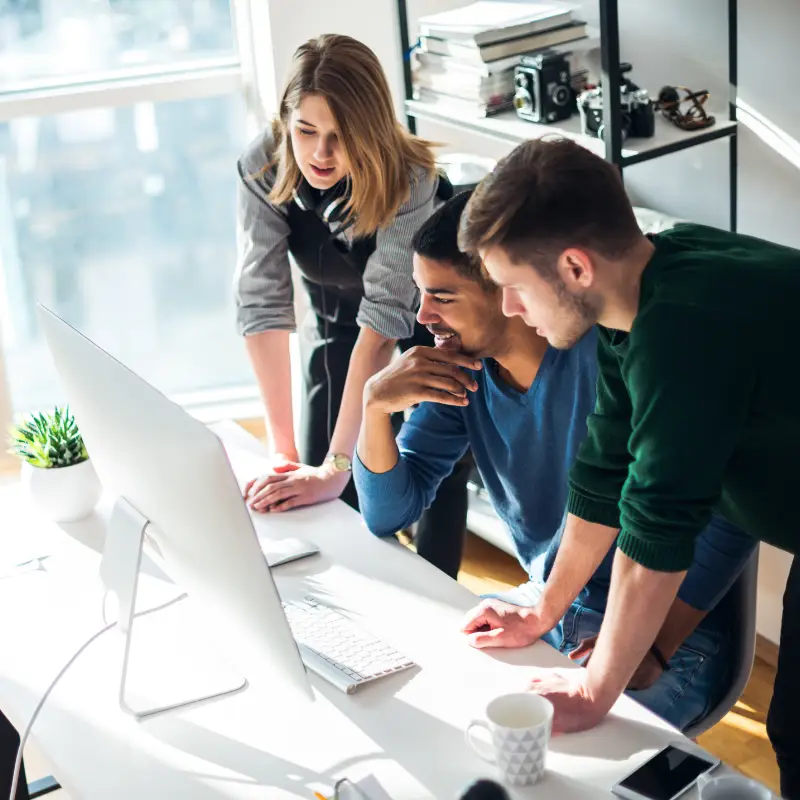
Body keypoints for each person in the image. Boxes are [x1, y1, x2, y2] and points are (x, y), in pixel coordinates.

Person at [459, 137, 800, 797]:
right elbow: (603, 475)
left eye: (513, 287)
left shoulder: (684, 330)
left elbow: (655, 535)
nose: (508, 310)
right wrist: (543, 611)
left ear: (575, 268)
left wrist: (593, 691)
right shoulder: (643, 293)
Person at [353, 191, 755, 732]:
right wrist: (374, 406)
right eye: (421, 295)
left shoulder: (613, 356)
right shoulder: (459, 374)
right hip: (547, 606)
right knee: (416, 703)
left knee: (557, 766)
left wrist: (652, 648)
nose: (423, 317)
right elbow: (387, 514)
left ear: (507, 290)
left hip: (660, 633)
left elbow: (734, 509)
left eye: (442, 298)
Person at [233, 34, 470, 577]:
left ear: (371, 131)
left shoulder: (412, 181)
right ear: (285, 123)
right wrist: (284, 455)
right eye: (306, 131)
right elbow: (262, 301)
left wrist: (339, 466)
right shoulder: (261, 167)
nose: (320, 153)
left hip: (419, 330)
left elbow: (385, 322)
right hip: (336, 321)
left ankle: (435, 597)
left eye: (340, 137)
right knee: (315, 488)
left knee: (421, 471)